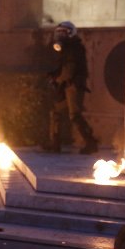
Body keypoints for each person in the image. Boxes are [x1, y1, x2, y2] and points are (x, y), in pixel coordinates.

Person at [45, 21, 99, 154]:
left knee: (74, 115)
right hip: (68, 86)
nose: (61, 36)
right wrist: (54, 75)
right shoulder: (69, 48)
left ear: (70, 33)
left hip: (73, 86)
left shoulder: (74, 48)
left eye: (64, 33)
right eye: (59, 33)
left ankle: (91, 143)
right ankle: (55, 143)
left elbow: (69, 69)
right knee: (56, 111)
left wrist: (57, 79)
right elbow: (64, 67)